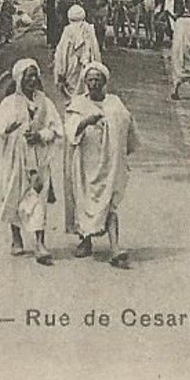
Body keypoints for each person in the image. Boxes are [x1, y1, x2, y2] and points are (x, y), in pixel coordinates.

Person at [63, 61, 139, 268]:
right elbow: (69, 130)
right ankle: (86, 241)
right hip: (86, 162)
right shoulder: (78, 104)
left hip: (110, 163)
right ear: (85, 82)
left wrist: (121, 145)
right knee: (86, 201)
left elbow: (128, 125)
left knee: (109, 203)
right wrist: (86, 121)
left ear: (105, 82)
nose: (94, 83)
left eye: (98, 79)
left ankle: (115, 247)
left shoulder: (114, 103)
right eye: (90, 79)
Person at [0, 59, 63, 265]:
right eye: (27, 76)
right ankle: (16, 238)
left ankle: (40, 243)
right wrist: (7, 129)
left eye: (34, 75)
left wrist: (41, 135)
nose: (31, 80)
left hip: (38, 159)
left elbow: (57, 128)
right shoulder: (10, 102)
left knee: (38, 198)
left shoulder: (44, 102)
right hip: (14, 158)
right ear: (19, 79)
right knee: (14, 194)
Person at [53, 4, 102, 100]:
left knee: (72, 94)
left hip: (71, 67)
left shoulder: (68, 30)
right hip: (87, 65)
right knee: (86, 91)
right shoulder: (89, 29)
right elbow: (96, 51)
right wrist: (97, 67)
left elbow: (62, 54)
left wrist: (60, 72)